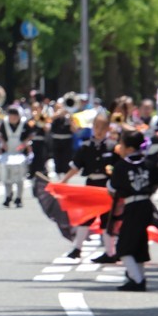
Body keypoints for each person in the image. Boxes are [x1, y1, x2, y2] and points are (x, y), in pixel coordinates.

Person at [109, 130, 158, 291]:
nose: (119, 148)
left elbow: (113, 189)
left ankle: (137, 280)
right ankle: (139, 277)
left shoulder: (121, 166)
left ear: (129, 148)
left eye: (121, 145)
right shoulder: (148, 164)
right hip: (146, 206)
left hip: (132, 206)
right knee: (139, 243)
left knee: (123, 247)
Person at [59, 112, 119, 261]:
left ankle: (110, 252)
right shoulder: (85, 147)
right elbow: (76, 166)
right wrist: (64, 180)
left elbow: (119, 168)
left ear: (108, 129)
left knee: (107, 219)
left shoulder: (112, 147)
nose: (99, 130)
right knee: (86, 217)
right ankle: (77, 248)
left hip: (107, 187)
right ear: (92, 127)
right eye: (96, 127)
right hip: (91, 185)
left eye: (103, 127)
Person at [0, 106, 32, 208]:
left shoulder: (24, 123)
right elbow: (0, 135)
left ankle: (19, 198)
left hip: (20, 153)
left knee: (19, 177)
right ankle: (8, 196)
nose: (13, 118)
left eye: (15, 116)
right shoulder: (4, 123)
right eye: (11, 116)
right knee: (6, 176)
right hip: (7, 153)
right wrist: (3, 144)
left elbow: (30, 135)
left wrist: (24, 144)